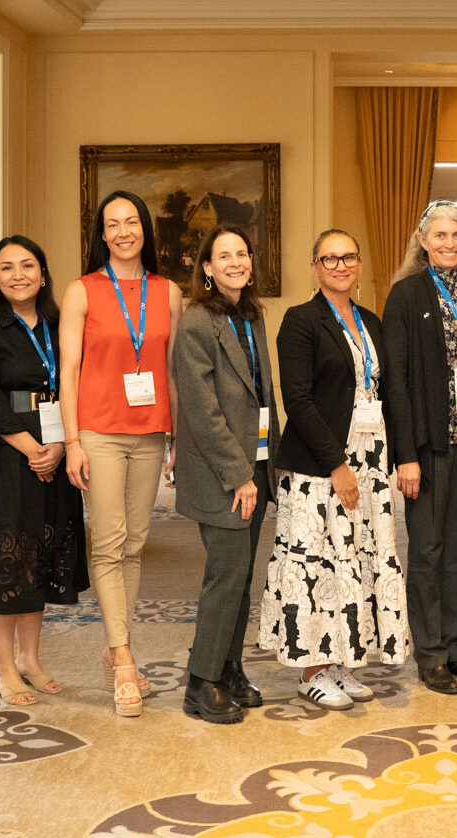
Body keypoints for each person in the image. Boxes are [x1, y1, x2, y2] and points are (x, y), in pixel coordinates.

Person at [260, 229, 411, 710]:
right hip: (321, 467)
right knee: (317, 565)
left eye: (348, 257)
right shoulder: (300, 321)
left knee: (356, 561)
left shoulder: (370, 321)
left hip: (370, 460)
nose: (340, 265)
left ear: (360, 264)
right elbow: (298, 401)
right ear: (315, 266)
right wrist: (337, 465)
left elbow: (382, 391)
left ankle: (339, 661)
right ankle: (311, 670)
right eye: (330, 258)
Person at [0, 235, 89, 706]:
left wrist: (61, 446)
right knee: (5, 560)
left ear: (43, 274)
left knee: (39, 556)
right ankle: (4, 666)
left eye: (27, 265)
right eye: (6, 267)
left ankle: (31, 659)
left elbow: (76, 382)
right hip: (2, 455)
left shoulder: (59, 324)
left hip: (55, 445)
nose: (18, 275)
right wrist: (33, 449)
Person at [60, 190, 181, 718]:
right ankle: (125, 658)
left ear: (145, 230)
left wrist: (177, 437)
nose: (124, 231)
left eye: (132, 222)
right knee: (109, 544)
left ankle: (116, 647)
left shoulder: (168, 292)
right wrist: (71, 442)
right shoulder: (82, 291)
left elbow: (172, 369)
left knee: (135, 543)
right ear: (102, 235)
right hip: (99, 432)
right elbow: (67, 371)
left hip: (151, 432)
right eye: (113, 224)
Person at [382, 200, 457, 695]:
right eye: (440, 235)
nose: (449, 243)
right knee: (427, 551)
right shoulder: (406, 294)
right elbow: (396, 381)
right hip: (428, 446)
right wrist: (405, 455)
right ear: (422, 242)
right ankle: (430, 655)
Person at [173, 225, 280, 724]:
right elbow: (202, 409)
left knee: (241, 576)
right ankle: (200, 683)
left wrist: (267, 464)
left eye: (242, 253)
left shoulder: (251, 315)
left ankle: (229, 668)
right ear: (207, 268)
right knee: (226, 575)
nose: (236, 261)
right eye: (224, 256)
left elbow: (261, 395)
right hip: (223, 472)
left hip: (254, 463)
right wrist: (239, 475)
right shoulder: (197, 321)